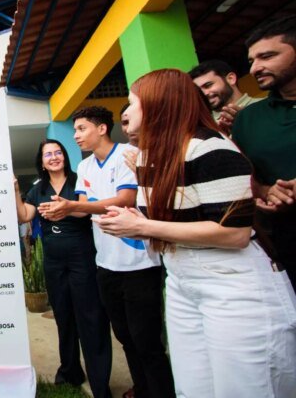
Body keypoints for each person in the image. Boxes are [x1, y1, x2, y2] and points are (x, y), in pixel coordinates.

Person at [97, 68, 296, 397]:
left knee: (244, 388)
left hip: (232, 285)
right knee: (193, 388)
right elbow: (166, 221)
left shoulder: (211, 148)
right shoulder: (151, 157)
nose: (126, 112)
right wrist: (131, 219)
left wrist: (142, 226)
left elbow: (234, 233)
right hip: (181, 279)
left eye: (132, 103)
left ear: (160, 104)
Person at [39, 106, 175, 398]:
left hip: (139, 262)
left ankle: (161, 391)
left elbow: (126, 199)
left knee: (146, 340)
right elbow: (85, 208)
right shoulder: (85, 166)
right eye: (75, 130)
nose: (76, 136)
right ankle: (142, 389)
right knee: (125, 337)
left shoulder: (128, 155)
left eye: (81, 129)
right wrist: (61, 210)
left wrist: (73, 206)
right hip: (105, 264)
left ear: (101, 128)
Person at [14, 139, 112, 398]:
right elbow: (25, 215)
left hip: (83, 258)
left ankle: (100, 381)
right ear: (42, 161)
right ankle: (70, 371)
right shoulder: (38, 188)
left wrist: (66, 208)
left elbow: (84, 211)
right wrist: (15, 190)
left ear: (65, 157)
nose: (54, 157)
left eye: (58, 152)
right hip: (54, 262)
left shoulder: (79, 180)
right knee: (64, 317)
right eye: (48, 154)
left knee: (91, 318)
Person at [232, 15, 296, 288]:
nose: (256, 67)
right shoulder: (248, 119)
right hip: (286, 242)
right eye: (252, 61)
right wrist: (266, 191)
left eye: (267, 56)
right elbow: (244, 176)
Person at [189, 60, 259, 131]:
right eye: (199, 91)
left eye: (208, 85)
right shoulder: (202, 126)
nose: (204, 93)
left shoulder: (262, 107)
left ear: (230, 79)